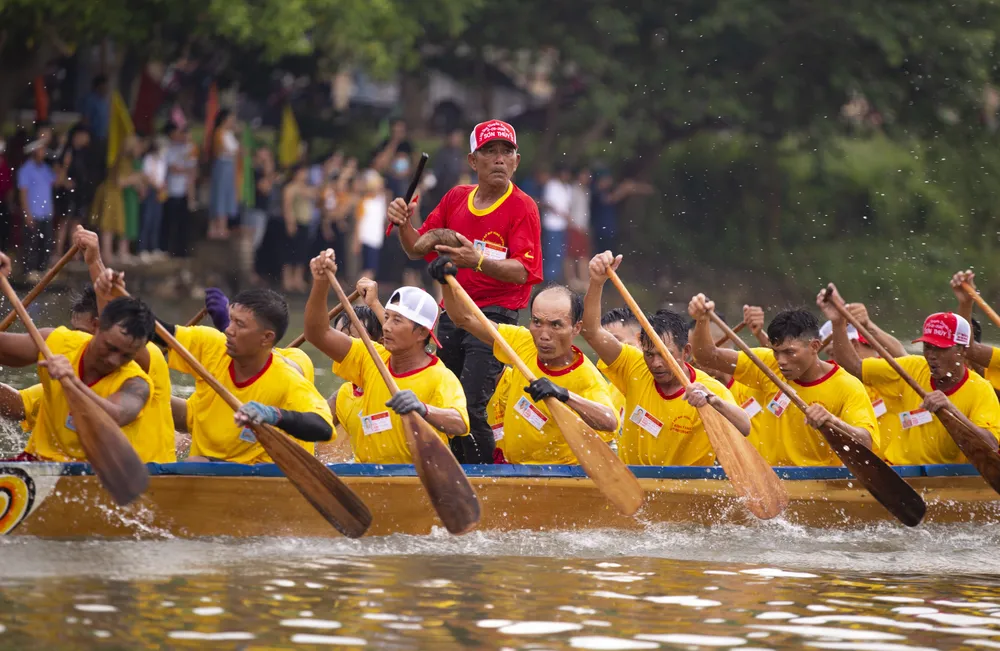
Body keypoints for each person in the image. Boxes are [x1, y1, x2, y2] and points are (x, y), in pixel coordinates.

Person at [386, 119, 544, 463]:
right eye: (490, 152)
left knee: (472, 406)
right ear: (473, 161)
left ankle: (483, 481)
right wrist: (402, 224)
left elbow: (525, 271)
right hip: (452, 314)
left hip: (496, 319)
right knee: (444, 402)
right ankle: (440, 467)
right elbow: (417, 247)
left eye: (507, 152)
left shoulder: (523, 206)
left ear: (517, 161)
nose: (500, 159)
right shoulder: (455, 198)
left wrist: (480, 261)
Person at [435, 260, 618, 464]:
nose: (544, 335)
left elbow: (609, 421)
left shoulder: (586, 375)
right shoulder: (523, 342)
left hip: (560, 477)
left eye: (556, 325)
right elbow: (464, 319)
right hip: (515, 470)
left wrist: (563, 395)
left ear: (576, 328)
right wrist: (446, 284)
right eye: (537, 322)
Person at [582, 253, 748, 465]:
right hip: (636, 486)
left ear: (686, 351)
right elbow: (591, 332)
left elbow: (744, 427)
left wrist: (713, 401)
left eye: (666, 355)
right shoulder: (633, 364)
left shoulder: (706, 388)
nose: (656, 364)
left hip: (685, 490)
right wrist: (596, 282)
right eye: (649, 354)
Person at [304, 251, 469, 463]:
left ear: (421, 333)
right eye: (387, 317)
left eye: (397, 321)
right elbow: (317, 334)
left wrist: (423, 408)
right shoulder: (370, 356)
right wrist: (320, 283)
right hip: (367, 476)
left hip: (415, 479)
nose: (387, 327)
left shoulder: (440, 376)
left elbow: (460, 423)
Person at [689, 294, 879, 466]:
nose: (781, 361)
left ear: (814, 346)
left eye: (790, 352)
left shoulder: (846, 386)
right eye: (776, 352)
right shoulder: (767, 365)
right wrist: (702, 320)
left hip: (819, 485)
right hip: (771, 481)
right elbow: (706, 356)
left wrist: (833, 421)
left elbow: (866, 443)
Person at [820, 284, 1000, 464]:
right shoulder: (914, 367)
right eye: (927, 347)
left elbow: (991, 444)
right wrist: (838, 323)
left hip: (946, 479)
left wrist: (952, 410)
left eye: (940, 349)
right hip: (899, 472)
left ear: (961, 350)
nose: (931, 356)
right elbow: (855, 367)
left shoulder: (980, 389)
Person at [153, 286, 333, 463]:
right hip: (203, 428)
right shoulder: (214, 345)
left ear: (267, 338)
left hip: (257, 472)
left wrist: (273, 414)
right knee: (150, 391)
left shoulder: (289, 373)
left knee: (196, 463)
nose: (229, 330)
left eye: (239, 324)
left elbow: (323, 428)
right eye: (230, 321)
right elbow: (160, 333)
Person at [0, 289, 156, 463]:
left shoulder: (137, 383)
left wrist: (73, 382)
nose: (114, 360)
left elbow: (114, 416)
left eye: (126, 356)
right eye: (111, 347)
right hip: (37, 462)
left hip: (94, 474)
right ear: (96, 326)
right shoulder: (58, 342)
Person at [72, 228, 178, 462]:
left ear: (100, 326)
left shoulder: (144, 355)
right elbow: (23, 404)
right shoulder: (71, 365)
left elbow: (118, 319)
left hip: (150, 474)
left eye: (83, 334)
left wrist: (95, 263)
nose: (80, 343)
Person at [18, 139, 62, 280]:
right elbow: (23, 193)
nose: (43, 153)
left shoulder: (45, 168)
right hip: (33, 213)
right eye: (41, 150)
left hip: (46, 213)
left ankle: (43, 269)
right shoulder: (25, 169)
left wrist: (62, 164)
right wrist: (27, 213)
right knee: (32, 242)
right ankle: (29, 270)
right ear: (34, 151)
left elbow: (57, 181)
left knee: (46, 242)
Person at [52, 125, 95, 262]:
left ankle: (74, 253)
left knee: (76, 223)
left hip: (79, 192)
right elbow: (57, 171)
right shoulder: (66, 150)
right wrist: (65, 180)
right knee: (64, 222)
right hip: (67, 192)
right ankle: (58, 252)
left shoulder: (84, 152)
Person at [163, 122, 197, 258]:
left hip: (183, 191)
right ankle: (168, 249)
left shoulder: (190, 151)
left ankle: (182, 251)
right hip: (171, 191)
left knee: (183, 224)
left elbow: (193, 172)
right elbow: (172, 168)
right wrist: (186, 170)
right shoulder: (171, 149)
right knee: (171, 222)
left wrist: (191, 196)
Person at [282, 165, 317, 293]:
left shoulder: (306, 188)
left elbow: (315, 195)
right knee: (290, 252)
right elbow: (287, 206)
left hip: (305, 223)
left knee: (302, 253)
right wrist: (290, 223)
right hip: (295, 222)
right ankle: (287, 280)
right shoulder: (290, 188)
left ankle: (298, 279)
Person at [208, 109, 239, 240]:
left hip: (230, 167)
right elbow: (221, 151)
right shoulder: (219, 133)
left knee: (227, 194)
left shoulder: (230, 134)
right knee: (219, 195)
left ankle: (223, 226)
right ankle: (217, 227)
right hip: (222, 167)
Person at [353, 170, 387, 280]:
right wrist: (357, 240)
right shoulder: (364, 202)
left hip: (376, 240)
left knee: (371, 269)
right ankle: (360, 295)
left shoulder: (380, 201)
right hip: (367, 240)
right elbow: (358, 222)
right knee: (368, 270)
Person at [139, 135, 168, 261]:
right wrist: (156, 185)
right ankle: (142, 249)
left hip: (159, 192)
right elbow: (147, 175)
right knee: (147, 220)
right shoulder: (148, 159)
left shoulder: (163, 161)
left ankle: (154, 248)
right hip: (150, 190)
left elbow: (163, 176)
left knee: (157, 220)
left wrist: (162, 186)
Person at [541, 165, 572, 282]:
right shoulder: (552, 185)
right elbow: (548, 203)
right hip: (552, 224)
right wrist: (561, 214)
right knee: (551, 251)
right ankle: (549, 278)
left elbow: (568, 205)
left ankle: (556, 278)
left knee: (560, 252)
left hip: (562, 225)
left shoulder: (568, 188)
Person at [566, 167, 592, 290]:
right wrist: (573, 223)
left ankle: (583, 280)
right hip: (574, 226)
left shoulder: (585, 190)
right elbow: (569, 208)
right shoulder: (573, 190)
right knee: (572, 254)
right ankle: (572, 280)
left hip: (583, 226)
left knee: (583, 254)